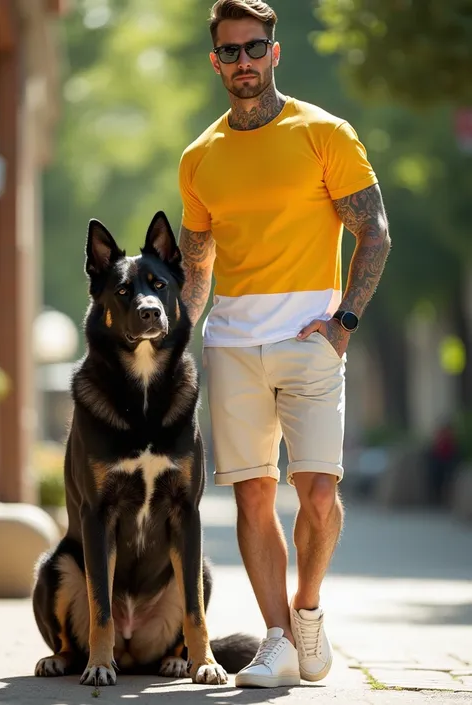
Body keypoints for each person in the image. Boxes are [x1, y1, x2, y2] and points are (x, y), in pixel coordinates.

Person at [178, 0, 391, 689]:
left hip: (311, 341)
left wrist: (344, 324)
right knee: (252, 498)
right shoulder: (200, 157)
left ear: (275, 51)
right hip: (232, 343)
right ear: (217, 62)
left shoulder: (324, 133)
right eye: (230, 52)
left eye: (253, 47)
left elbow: (374, 232)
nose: (243, 61)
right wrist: (176, 350)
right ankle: (275, 639)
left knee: (320, 496)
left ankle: (307, 610)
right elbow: (196, 268)